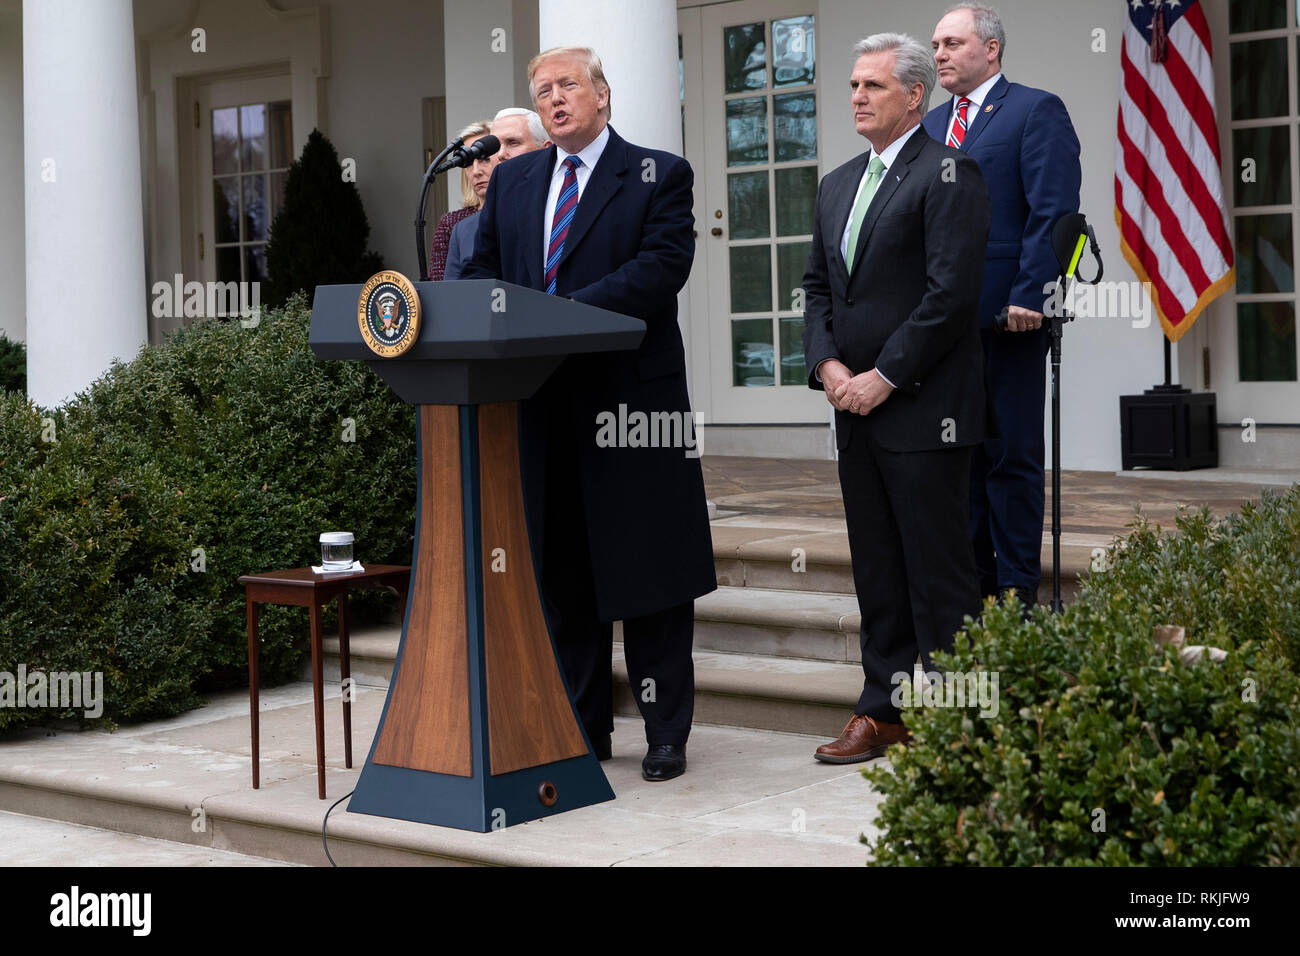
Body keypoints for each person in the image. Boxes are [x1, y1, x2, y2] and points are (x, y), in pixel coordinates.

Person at [462, 46, 715, 782]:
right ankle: (582, 728)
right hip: (543, 405)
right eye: (542, 92)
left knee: (651, 575)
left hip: (633, 406)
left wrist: (560, 312)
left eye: (567, 86)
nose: (554, 100)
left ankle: (666, 734)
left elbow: (660, 268)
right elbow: (481, 272)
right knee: (564, 577)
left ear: (602, 94)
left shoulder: (657, 173)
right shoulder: (513, 182)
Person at [802, 32, 990, 763]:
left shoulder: (950, 172)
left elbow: (949, 298)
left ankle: (959, 724)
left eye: (873, 86)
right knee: (877, 568)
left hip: (924, 411)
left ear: (915, 95)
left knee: (939, 575)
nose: (857, 97)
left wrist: (883, 376)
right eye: (854, 85)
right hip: (855, 411)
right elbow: (817, 289)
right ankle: (882, 711)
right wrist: (829, 369)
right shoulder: (837, 183)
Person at [923, 3, 1082, 612]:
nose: (939, 54)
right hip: (942, 325)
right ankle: (974, 587)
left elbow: (1054, 212)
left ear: (990, 49)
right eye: (935, 44)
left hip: (1009, 318)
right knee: (958, 456)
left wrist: (1032, 295)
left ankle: (1017, 592)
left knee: (1009, 456)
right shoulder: (930, 123)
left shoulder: (1034, 110)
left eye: (953, 43)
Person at [444, 108, 551, 281]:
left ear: (545, 149)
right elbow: (459, 295)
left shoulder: (565, 205)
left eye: (513, 143)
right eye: (497, 146)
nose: (500, 155)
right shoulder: (470, 226)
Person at [426, 120, 492, 281]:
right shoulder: (451, 223)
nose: (476, 171)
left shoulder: (522, 213)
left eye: (485, 159)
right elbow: (441, 289)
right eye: (469, 163)